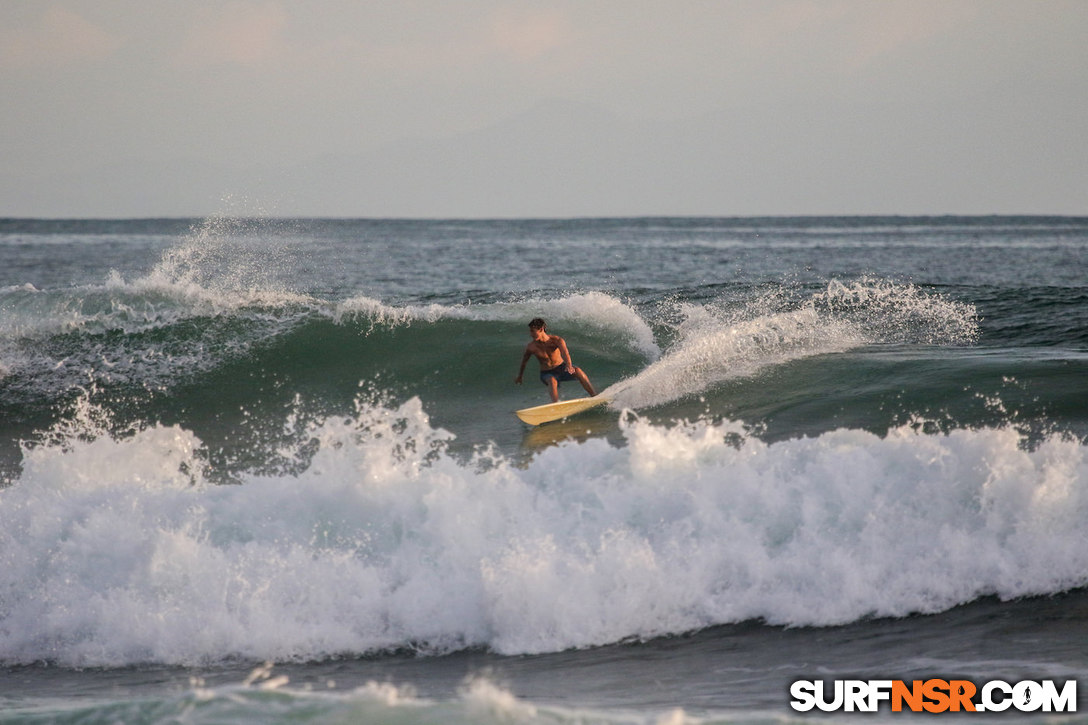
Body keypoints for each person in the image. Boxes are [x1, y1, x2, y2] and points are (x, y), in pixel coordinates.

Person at [515, 318, 597, 403]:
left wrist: (569, 365)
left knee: (578, 371)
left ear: (541, 329)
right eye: (530, 331)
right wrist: (520, 376)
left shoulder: (556, 340)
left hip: (561, 368)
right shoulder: (531, 347)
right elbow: (524, 362)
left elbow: (565, 353)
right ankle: (556, 405)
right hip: (546, 373)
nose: (530, 334)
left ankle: (594, 396)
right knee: (552, 381)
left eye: (532, 331)